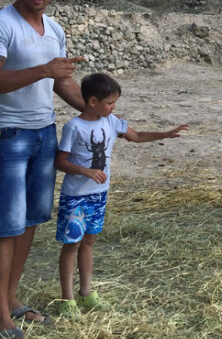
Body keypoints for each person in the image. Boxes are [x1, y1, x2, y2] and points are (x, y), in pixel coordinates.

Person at [54, 72, 188, 318]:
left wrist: (166, 134)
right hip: (76, 196)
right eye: (110, 103)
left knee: (89, 242)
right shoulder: (74, 127)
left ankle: (86, 292)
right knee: (71, 245)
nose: (114, 107)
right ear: (93, 101)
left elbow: (135, 136)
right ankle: (67, 299)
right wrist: (85, 170)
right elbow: (60, 161)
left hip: (99, 194)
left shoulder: (112, 122)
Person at [0, 0, 86, 339]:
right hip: (8, 134)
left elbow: (60, 83)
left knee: (31, 220)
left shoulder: (54, 29)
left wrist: (97, 112)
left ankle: (11, 296)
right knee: (6, 225)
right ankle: (1, 313)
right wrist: (44, 70)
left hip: (43, 133)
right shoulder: (3, 23)